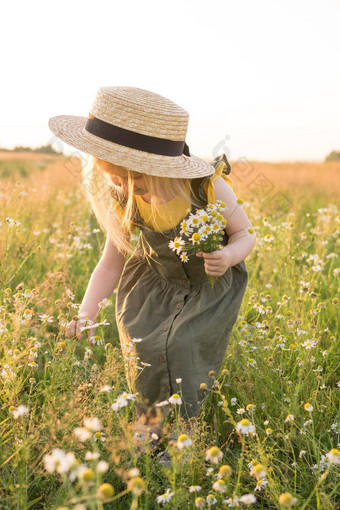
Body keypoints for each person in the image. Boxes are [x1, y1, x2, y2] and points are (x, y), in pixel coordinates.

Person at [48, 86, 256, 459]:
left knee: (183, 347)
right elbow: (111, 262)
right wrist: (86, 312)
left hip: (203, 285)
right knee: (143, 350)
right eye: (115, 179)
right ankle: (150, 423)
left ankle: (184, 432)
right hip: (153, 283)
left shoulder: (206, 187)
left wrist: (228, 254)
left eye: (136, 181)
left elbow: (245, 233)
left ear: (162, 169)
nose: (127, 189)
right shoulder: (123, 194)